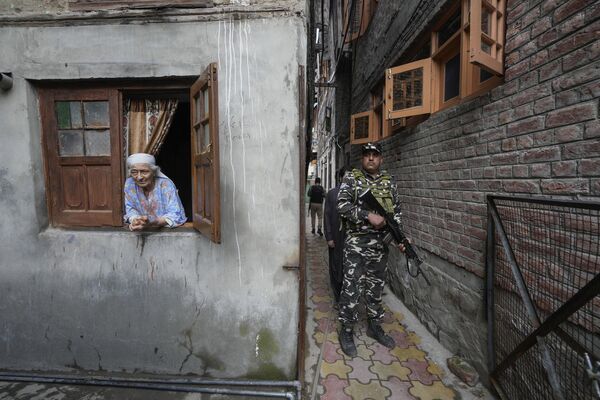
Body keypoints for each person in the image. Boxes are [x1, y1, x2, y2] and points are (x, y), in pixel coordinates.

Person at [336, 142, 406, 357]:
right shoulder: (352, 179)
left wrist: (400, 238)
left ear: (381, 159)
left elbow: (396, 213)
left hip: (380, 245)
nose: (371, 159)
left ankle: (374, 327)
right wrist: (367, 215)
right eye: (367, 155)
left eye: (375, 155)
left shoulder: (389, 183)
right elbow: (341, 205)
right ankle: (346, 330)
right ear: (362, 159)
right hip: (356, 243)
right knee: (352, 288)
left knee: (375, 288)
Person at [124, 153, 187, 231]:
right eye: (134, 172)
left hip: (164, 232)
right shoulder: (130, 184)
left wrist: (152, 223)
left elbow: (175, 214)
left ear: (154, 172)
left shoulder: (165, 184)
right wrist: (135, 220)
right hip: (140, 229)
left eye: (144, 172)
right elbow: (130, 208)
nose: (139, 177)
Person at [324, 167, 346, 303]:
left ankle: (346, 294)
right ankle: (337, 293)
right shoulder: (332, 194)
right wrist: (329, 237)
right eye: (346, 176)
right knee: (335, 264)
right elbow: (326, 216)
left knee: (347, 266)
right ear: (340, 177)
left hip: (350, 238)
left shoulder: (355, 194)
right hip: (336, 236)